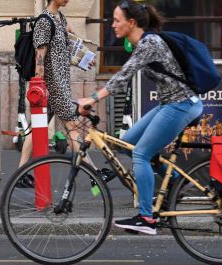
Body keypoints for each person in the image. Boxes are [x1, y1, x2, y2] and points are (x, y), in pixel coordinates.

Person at [78, 0, 203, 235]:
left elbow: (124, 75)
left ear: (131, 23)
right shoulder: (144, 43)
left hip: (182, 104)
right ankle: (175, 181)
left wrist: (92, 99)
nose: (112, 25)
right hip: (171, 103)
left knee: (141, 153)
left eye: (116, 20)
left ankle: (147, 218)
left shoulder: (150, 43)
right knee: (128, 143)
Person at [17, 0, 115, 187]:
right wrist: (39, 86)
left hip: (59, 83)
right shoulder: (45, 21)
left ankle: (21, 173)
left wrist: (82, 58)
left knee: (37, 128)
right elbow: (40, 57)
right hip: (53, 86)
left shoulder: (60, 18)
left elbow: (64, 49)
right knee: (72, 128)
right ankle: (95, 174)